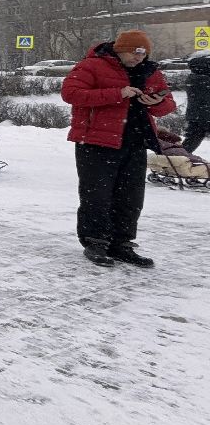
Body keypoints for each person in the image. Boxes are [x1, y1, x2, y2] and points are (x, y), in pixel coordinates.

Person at [61, 30, 176, 268]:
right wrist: (118, 93)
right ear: (120, 48)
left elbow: (168, 104)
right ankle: (96, 242)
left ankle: (121, 244)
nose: (138, 59)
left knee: (131, 198)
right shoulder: (92, 65)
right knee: (97, 196)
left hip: (135, 141)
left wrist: (158, 102)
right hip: (95, 141)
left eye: (142, 54)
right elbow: (70, 93)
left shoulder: (149, 71)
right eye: (134, 53)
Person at [185, 50, 210, 154]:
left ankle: (172, 164)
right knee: (190, 143)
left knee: (189, 144)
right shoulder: (205, 80)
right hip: (206, 115)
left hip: (196, 117)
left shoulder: (192, 77)